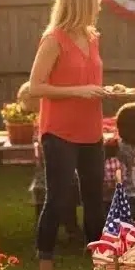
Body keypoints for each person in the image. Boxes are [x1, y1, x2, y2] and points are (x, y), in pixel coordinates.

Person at [29, 0, 107, 270]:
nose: (100, 4)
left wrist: (104, 91)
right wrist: (80, 91)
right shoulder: (53, 40)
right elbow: (35, 87)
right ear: (82, 1)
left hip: (91, 130)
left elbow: (89, 81)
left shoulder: (93, 37)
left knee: (94, 202)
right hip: (59, 131)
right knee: (59, 199)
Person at [19, 81, 82, 240]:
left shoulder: (38, 123)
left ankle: (64, 227)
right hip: (56, 171)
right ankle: (70, 227)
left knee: (66, 182)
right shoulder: (45, 122)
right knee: (69, 182)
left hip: (48, 173)